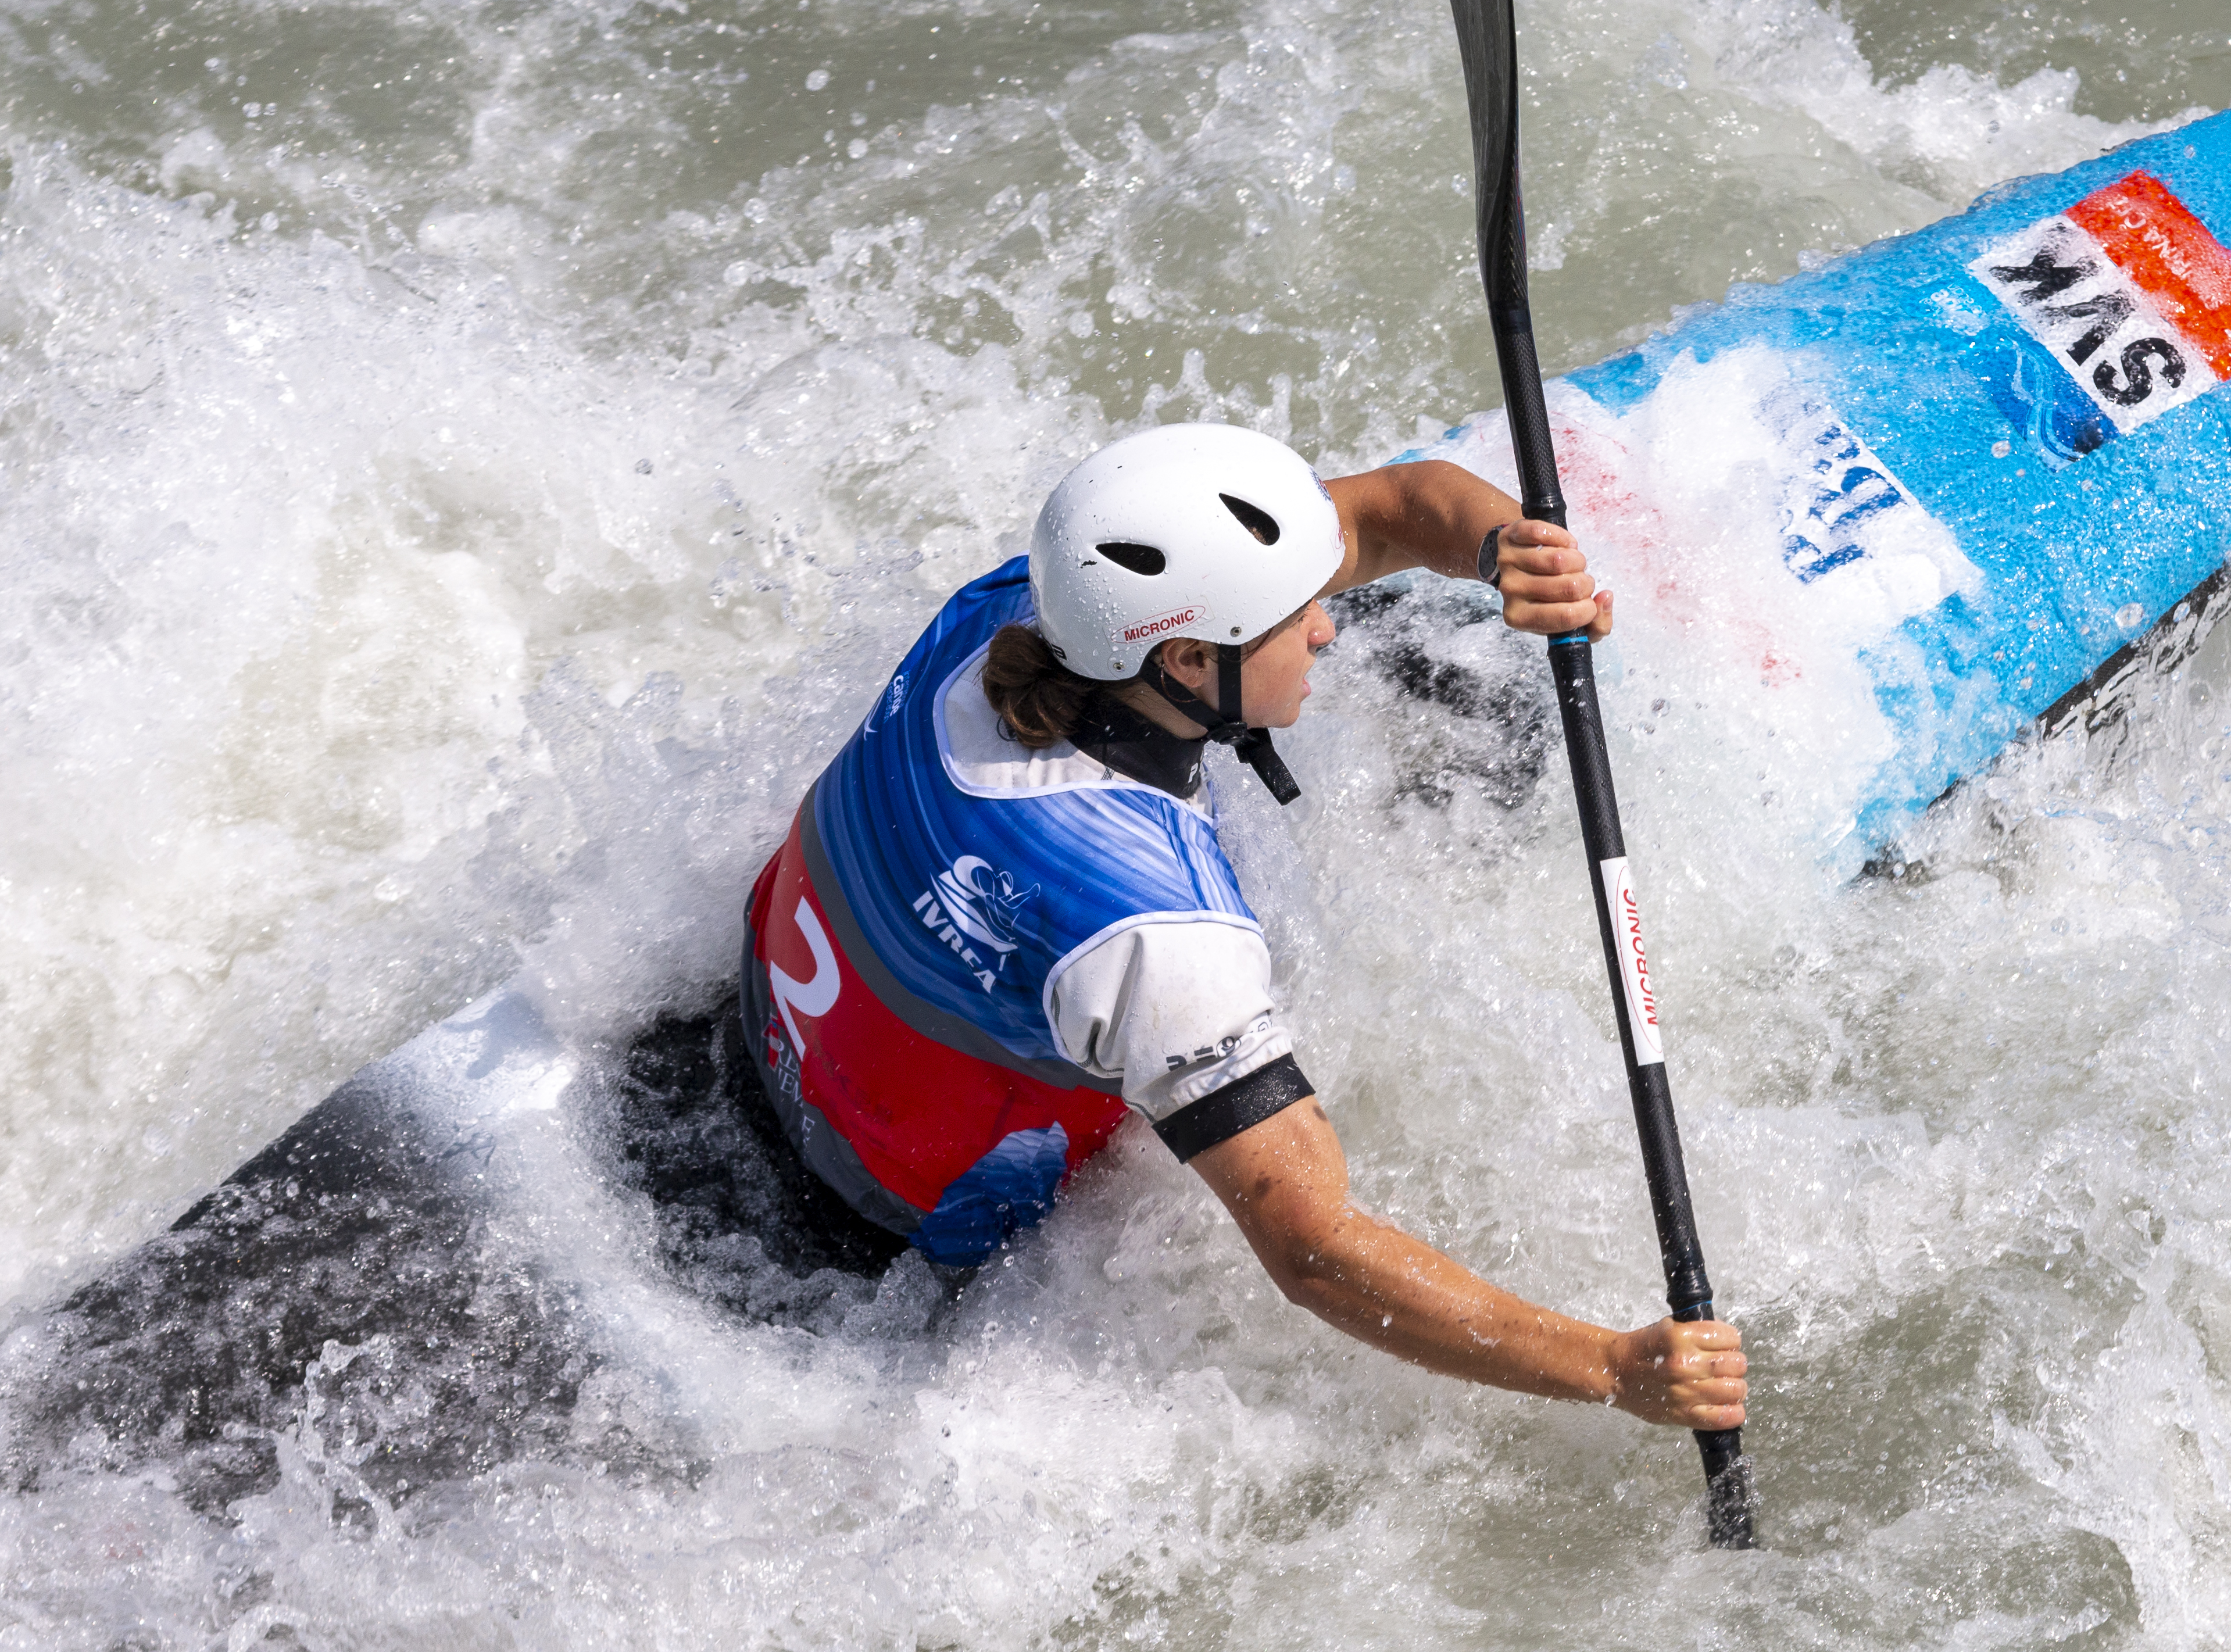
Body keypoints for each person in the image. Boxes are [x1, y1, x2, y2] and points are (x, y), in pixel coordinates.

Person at [736, 422, 1747, 1435]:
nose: (1327, 629)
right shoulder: (1152, 930)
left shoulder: (1021, 612)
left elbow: (1386, 510)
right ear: (1184, 657)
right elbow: (1314, 1251)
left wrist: (1505, 552)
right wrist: (1611, 1369)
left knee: (1412, 621)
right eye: (1295, 616)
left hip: (759, 1033)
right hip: (869, 1251)